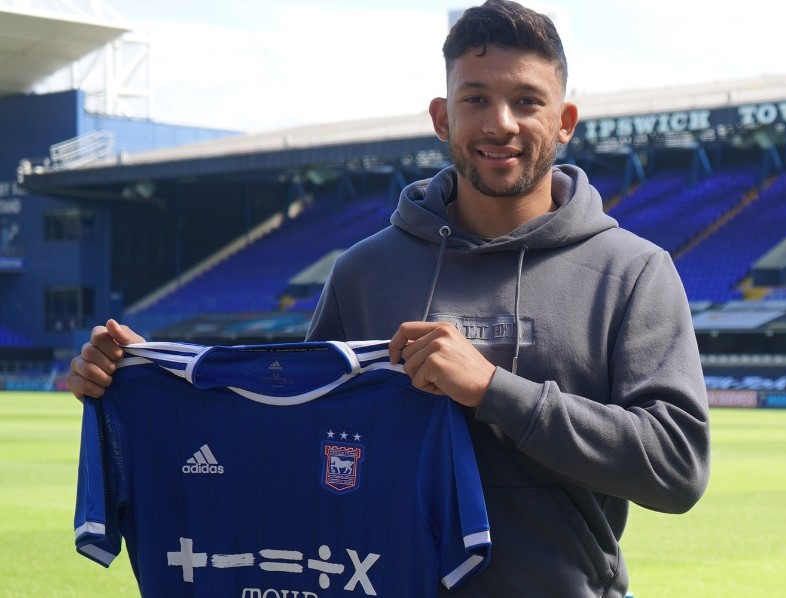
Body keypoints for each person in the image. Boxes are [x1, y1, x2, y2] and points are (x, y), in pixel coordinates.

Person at [68, 1, 711, 596]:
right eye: (477, 99)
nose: (501, 123)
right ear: (442, 117)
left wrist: (492, 390)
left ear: (564, 121)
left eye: (527, 101)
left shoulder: (632, 272)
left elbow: (678, 466)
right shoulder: (367, 269)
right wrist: (141, 381)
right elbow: (292, 433)